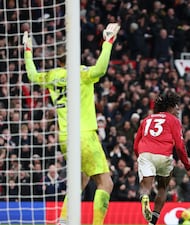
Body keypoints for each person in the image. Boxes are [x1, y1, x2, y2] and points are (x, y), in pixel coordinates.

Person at [23, 23, 120, 225]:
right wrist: (108, 41)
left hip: (65, 137)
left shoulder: (51, 76)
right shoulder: (81, 73)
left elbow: (32, 76)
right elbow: (101, 69)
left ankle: (64, 219)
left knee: (81, 178)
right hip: (84, 134)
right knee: (106, 183)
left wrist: (28, 51)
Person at [134, 91, 190, 225]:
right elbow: (180, 146)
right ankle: (152, 221)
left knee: (146, 184)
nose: (178, 111)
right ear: (170, 107)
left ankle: (144, 197)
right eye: (177, 108)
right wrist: (187, 166)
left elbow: (136, 143)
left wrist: (140, 158)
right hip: (164, 155)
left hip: (145, 153)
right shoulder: (174, 120)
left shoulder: (147, 119)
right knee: (163, 187)